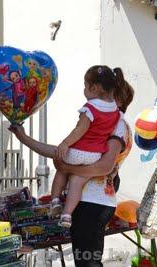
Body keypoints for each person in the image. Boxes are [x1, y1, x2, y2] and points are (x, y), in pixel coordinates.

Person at [9, 74, 134, 266]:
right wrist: (25, 139)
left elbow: (104, 166)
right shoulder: (100, 124)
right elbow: (61, 152)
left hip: (94, 202)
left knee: (88, 262)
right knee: (85, 261)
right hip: (86, 202)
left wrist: (67, 168)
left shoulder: (117, 125)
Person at [50, 65, 126, 228]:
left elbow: (80, 130)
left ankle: (55, 200)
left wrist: (65, 143)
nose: (84, 90)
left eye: (85, 86)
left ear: (95, 87)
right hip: (95, 156)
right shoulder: (116, 112)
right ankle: (67, 215)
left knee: (62, 169)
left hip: (77, 151)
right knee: (77, 182)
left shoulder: (90, 108)